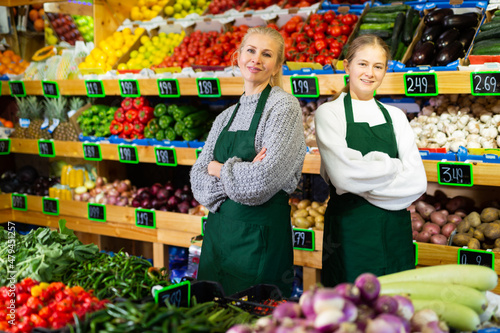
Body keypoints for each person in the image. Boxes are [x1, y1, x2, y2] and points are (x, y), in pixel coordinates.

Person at [190, 26, 306, 297]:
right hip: (217, 240)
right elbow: (198, 182)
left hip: (261, 241)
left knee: (256, 320)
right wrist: (243, 171)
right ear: (238, 56)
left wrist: (218, 169)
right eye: (250, 51)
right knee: (212, 317)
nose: (256, 59)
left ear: (277, 65)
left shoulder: (284, 107)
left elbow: (261, 182)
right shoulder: (226, 116)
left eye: (267, 54)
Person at [314, 35, 427, 287]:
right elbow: (343, 176)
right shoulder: (329, 113)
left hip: (395, 235)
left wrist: (361, 179)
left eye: (378, 66)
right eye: (363, 64)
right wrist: (393, 166)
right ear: (347, 66)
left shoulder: (396, 116)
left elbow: (417, 183)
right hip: (350, 236)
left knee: (395, 309)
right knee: (351, 314)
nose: (370, 73)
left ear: (386, 70)